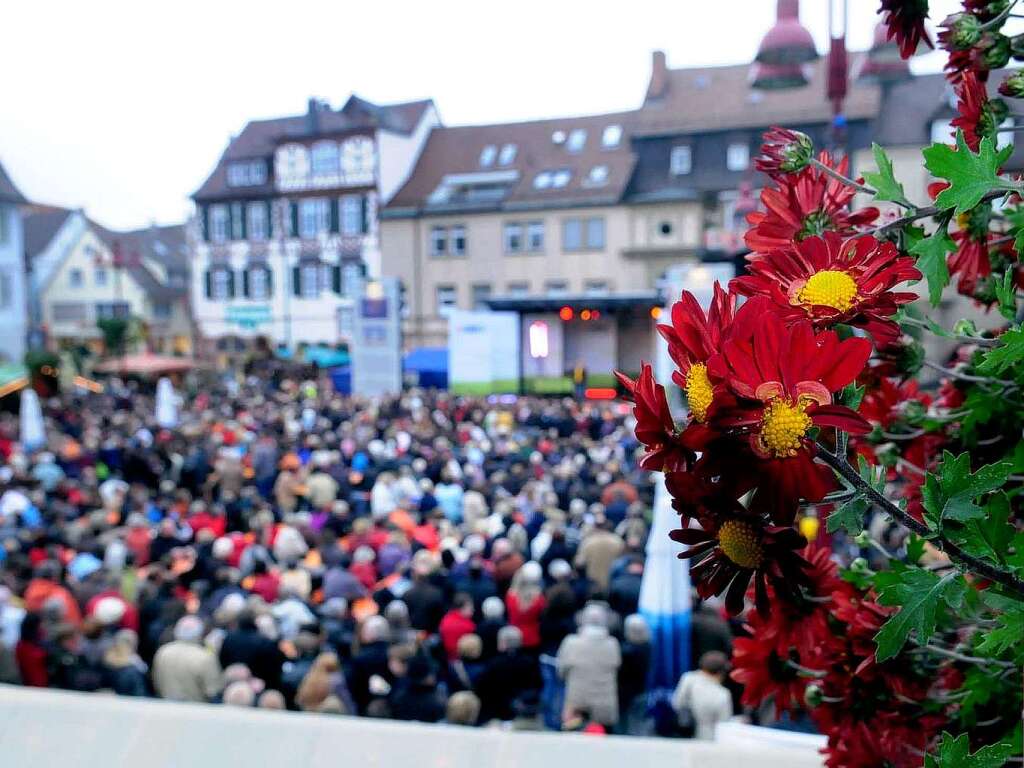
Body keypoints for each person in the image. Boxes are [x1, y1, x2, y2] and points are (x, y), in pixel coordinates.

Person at [557, 603, 621, 728]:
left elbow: (561, 672)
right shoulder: (612, 644)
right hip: (604, 705)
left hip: (576, 704)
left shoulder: (570, 642)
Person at [473, 626, 542, 723]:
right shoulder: (530, 663)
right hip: (522, 714)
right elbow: (537, 685)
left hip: (495, 714)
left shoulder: (493, 664)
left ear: (502, 643)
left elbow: (481, 687)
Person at [152, 615, 222, 702]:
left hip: (167, 706)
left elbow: (156, 682)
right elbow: (213, 692)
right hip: (197, 710)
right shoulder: (206, 657)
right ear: (200, 633)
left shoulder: (163, 652)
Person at [671, 651, 734, 740]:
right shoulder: (723, 694)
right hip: (708, 738)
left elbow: (676, 703)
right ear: (722, 671)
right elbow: (724, 723)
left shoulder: (688, 678)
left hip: (685, 734)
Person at [438, 593, 476, 661]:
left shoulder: (445, 619)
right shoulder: (469, 626)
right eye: (470, 607)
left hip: (447, 659)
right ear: (462, 607)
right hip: (462, 660)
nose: (473, 610)